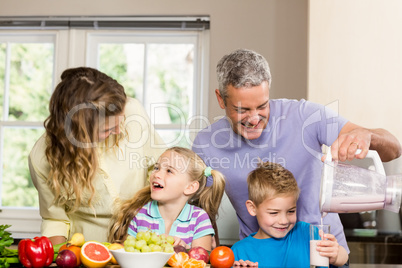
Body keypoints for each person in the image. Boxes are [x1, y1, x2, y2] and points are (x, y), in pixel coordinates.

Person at [192, 49, 402, 259]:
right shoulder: (206, 144)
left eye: (262, 106)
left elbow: (394, 149)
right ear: (221, 99)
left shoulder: (306, 116)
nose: (254, 118)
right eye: (242, 109)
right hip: (260, 259)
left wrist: (367, 136)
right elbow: (202, 215)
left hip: (324, 255)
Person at [29, 67, 166, 245]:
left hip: (144, 239)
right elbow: (56, 220)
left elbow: (162, 169)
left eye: (120, 122)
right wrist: (61, 257)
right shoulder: (41, 158)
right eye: (107, 129)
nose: (118, 131)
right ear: (79, 131)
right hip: (86, 248)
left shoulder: (132, 111)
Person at [231, 161, 348, 267]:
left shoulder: (307, 234)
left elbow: (343, 257)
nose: (284, 221)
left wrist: (336, 255)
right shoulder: (239, 251)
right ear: (252, 208)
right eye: (274, 213)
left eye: (291, 211)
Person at [108, 147, 226, 251]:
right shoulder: (139, 215)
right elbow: (128, 254)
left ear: (190, 187)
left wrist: (185, 249)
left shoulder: (199, 219)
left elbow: (202, 261)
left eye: (169, 171)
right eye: (156, 168)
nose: (156, 174)